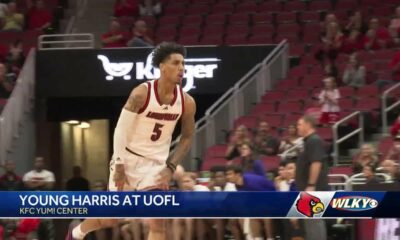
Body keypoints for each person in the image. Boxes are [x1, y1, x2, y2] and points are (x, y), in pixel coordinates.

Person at [67, 42, 196, 240]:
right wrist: (118, 164)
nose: (181, 68)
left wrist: (170, 166)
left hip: (155, 165)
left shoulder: (187, 102)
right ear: (162, 67)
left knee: (158, 221)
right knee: (111, 219)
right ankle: (76, 233)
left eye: (183, 63)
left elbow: (187, 136)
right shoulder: (141, 93)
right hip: (127, 159)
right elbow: (120, 131)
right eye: (176, 63)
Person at [296, 115, 328, 240]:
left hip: (312, 189)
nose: (297, 127)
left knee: (314, 222)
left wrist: (311, 185)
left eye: (299, 124)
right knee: (310, 222)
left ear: (308, 125)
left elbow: (316, 162)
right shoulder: (308, 141)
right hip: (308, 189)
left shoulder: (314, 140)